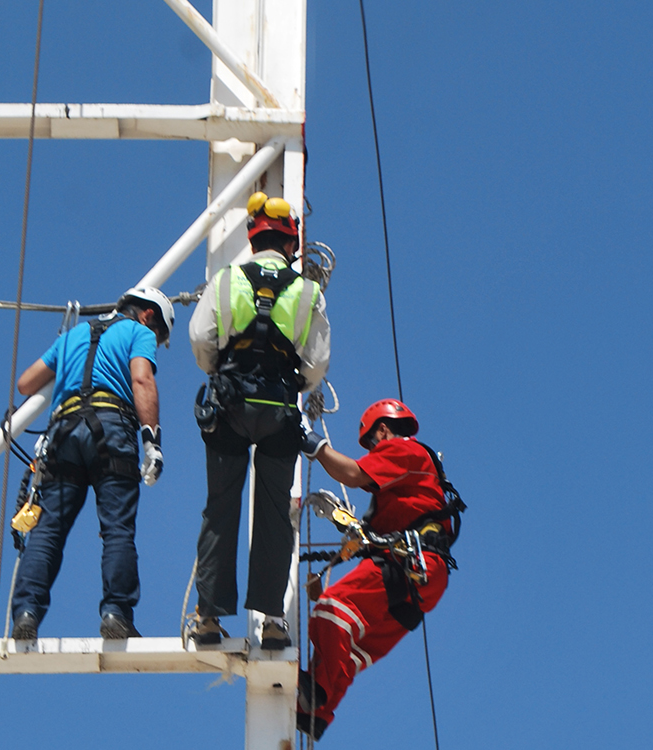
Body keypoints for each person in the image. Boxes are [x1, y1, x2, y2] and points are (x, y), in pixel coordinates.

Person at [186, 192, 330, 649]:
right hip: (279, 412)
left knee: (220, 509)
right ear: (291, 245)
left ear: (253, 241)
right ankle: (272, 620)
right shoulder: (308, 292)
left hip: (229, 407)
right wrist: (291, 385)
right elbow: (316, 364)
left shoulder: (226, 280)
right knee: (273, 515)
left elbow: (201, 337)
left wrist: (221, 371)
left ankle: (208, 617)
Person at [8, 286, 174, 640]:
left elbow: (26, 383)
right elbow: (141, 378)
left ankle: (26, 613)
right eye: (160, 336)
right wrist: (152, 442)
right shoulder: (139, 332)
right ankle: (116, 614)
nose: (156, 341)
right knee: (117, 528)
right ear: (148, 315)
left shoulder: (73, 335)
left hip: (63, 433)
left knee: (48, 530)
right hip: (111, 429)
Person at [295, 399, 462, 741]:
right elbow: (384, 530)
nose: (374, 451)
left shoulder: (404, 450)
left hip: (407, 563)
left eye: (372, 443)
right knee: (351, 652)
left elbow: (352, 474)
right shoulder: (413, 484)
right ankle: (314, 715)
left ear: (383, 430)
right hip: (425, 579)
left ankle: (318, 692)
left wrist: (312, 443)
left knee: (332, 610)